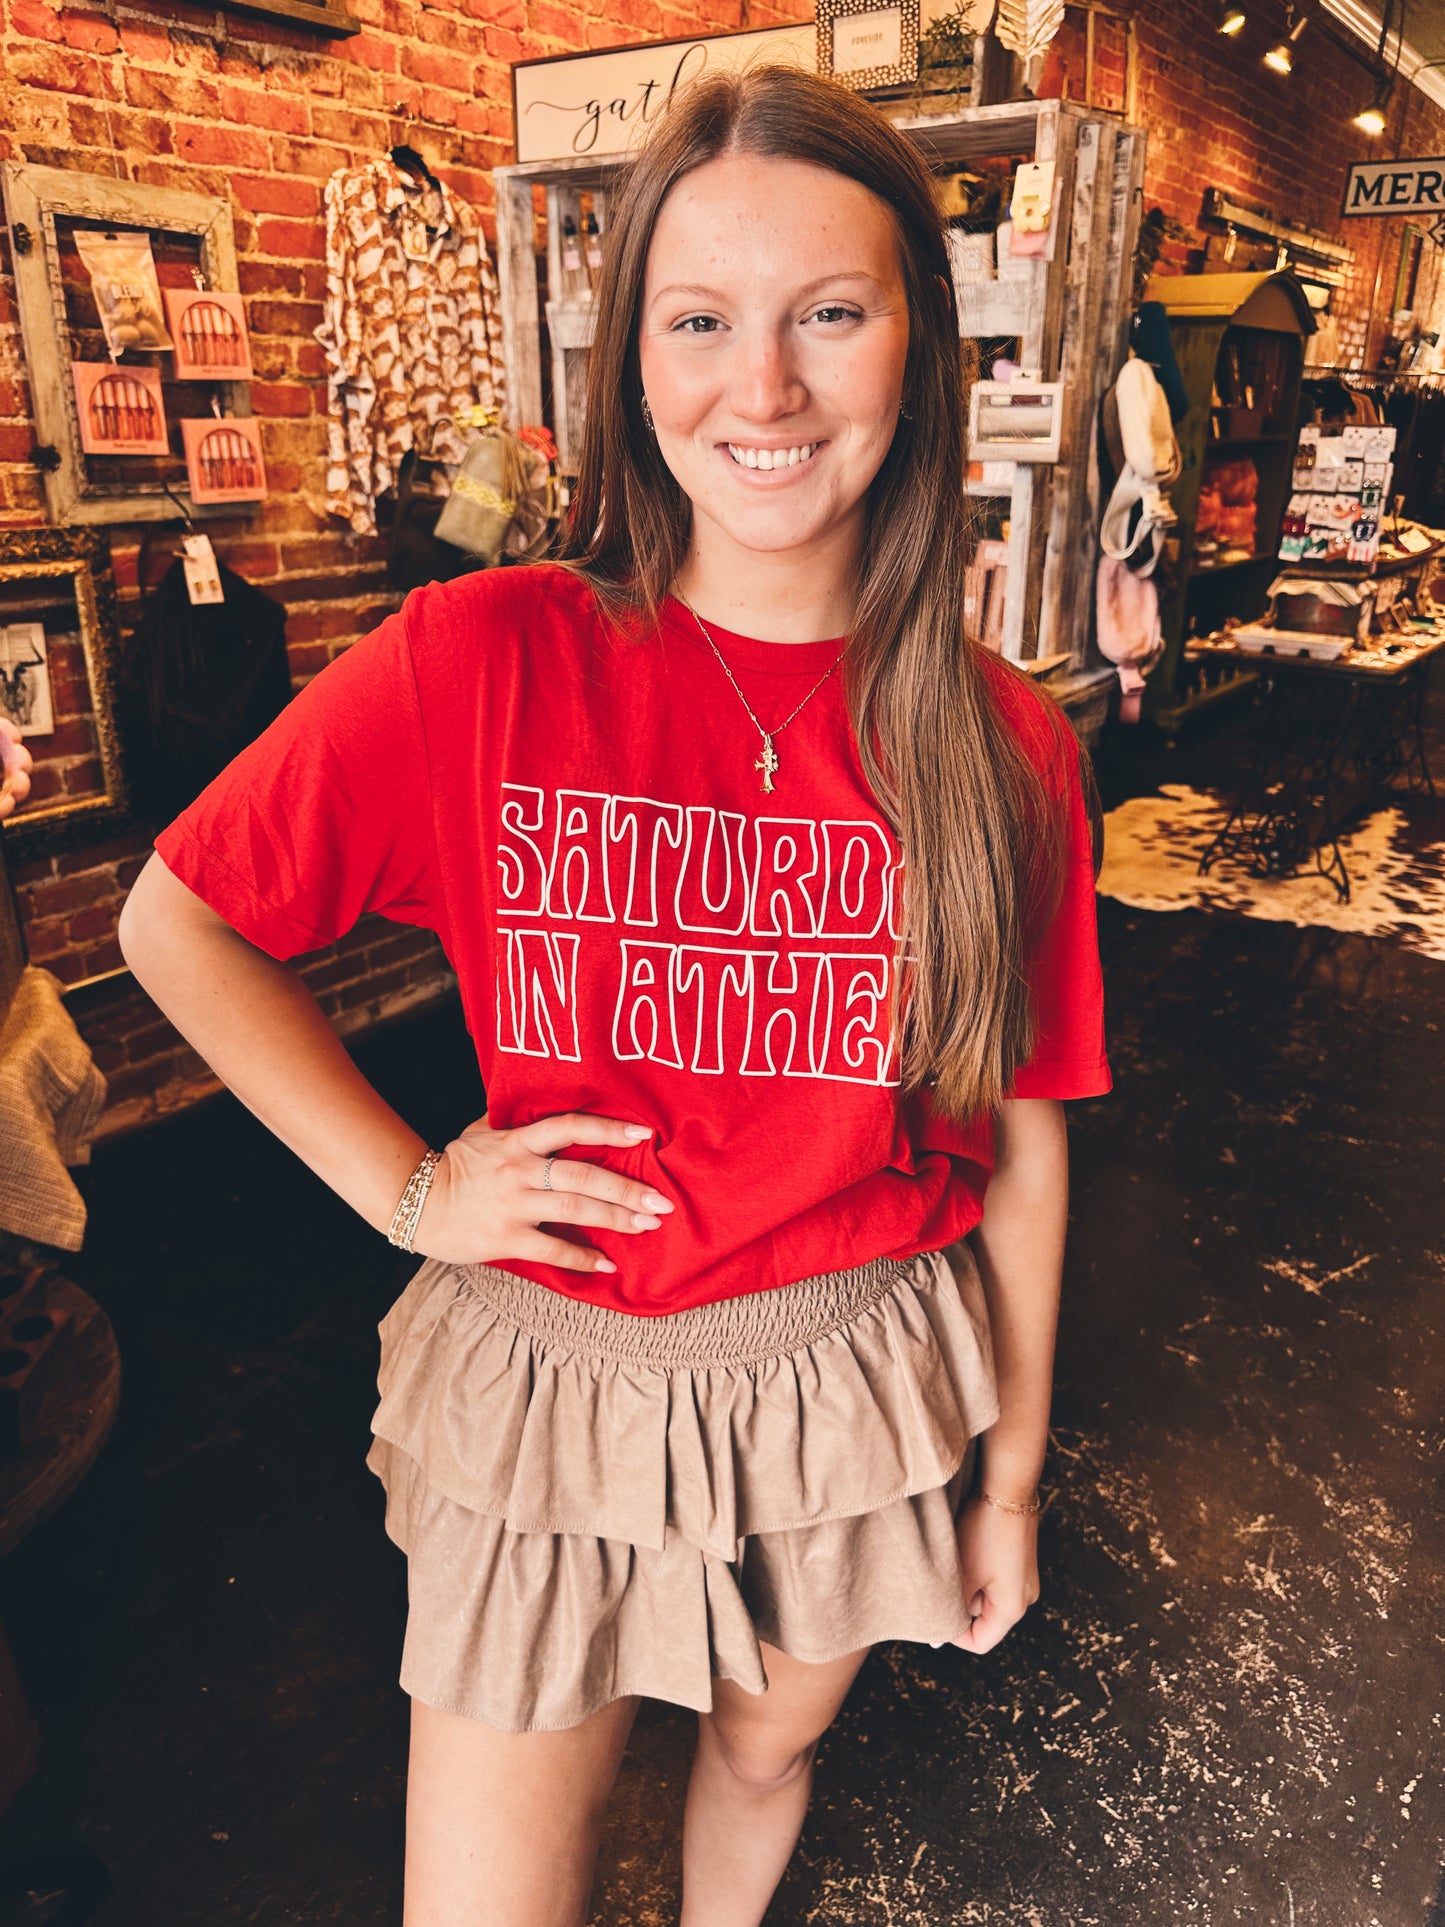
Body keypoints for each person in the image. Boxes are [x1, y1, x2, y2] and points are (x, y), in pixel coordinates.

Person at [119, 65, 1109, 1927]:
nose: (764, 389)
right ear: (632, 364)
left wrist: (1010, 1484)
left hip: (846, 1372)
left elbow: (1023, 1141)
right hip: (555, 1375)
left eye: (830, 314)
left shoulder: (1003, 749)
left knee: (765, 1756)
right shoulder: (482, 655)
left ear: (919, 343)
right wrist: (410, 1189)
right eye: (699, 321)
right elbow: (179, 921)